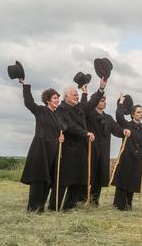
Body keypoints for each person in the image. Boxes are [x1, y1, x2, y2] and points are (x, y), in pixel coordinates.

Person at [48, 77, 107, 211]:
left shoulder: (80, 107)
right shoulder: (61, 109)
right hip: (67, 150)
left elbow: (92, 103)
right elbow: (69, 126)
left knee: (78, 180)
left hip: (81, 150)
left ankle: (69, 207)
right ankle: (54, 207)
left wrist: (101, 88)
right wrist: (85, 133)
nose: (77, 96)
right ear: (66, 96)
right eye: (74, 95)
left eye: (77, 95)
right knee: (63, 180)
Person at [18, 78, 65, 213]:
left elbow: (60, 131)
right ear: (48, 100)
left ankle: (40, 207)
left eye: (58, 98)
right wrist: (26, 85)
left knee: (48, 180)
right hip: (40, 149)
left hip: (53, 152)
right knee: (38, 179)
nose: (57, 100)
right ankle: (32, 208)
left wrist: (61, 138)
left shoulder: (57, 116)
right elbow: (29, 102)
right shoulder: (41, 111)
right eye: (55, 98)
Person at [79, 90, 131, 206]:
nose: (104, 103)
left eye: (105, 101)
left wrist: (123, 131)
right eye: (102, 100)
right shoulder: (89, 115)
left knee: (99, 175)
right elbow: (83, 109)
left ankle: (94, 201)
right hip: (90, 149)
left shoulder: (108, 118)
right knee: (87, 175)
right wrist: (84, 94)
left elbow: (116, 129)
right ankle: (81, 200)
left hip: (103, 150)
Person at [112, 93, 142, 210]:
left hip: (138, 159)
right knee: (123, 181)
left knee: (133, 181)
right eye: (138, 112)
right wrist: (120, 103)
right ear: (133, 114)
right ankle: (119, 205)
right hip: (126, 157)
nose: (141, 114)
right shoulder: (127, 125)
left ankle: (129, 205)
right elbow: (119, 116)